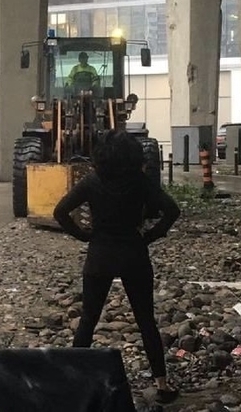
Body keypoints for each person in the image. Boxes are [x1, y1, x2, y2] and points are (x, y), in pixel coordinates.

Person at [53, 129, 182, 405]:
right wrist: (150, 236)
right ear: (133, 156)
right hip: (134, 254)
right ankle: (162, 383)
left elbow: (60, 212)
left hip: (99, 255)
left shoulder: (92, 181)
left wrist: (84, 235)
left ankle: (73, 382)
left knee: (88, 319)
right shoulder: (141, 182)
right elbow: (172, 210)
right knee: (146, 320)